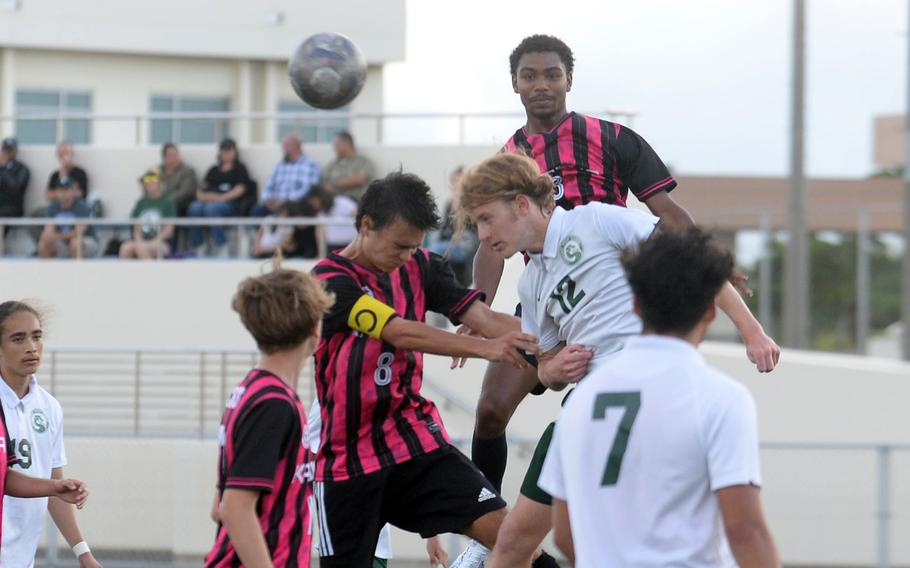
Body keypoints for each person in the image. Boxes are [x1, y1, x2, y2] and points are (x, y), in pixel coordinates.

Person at [464, 36, 781, 548]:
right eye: (529, 76)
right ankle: (488, 537)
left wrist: (711, 266)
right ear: (515, 84)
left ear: (569, 79)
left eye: (551, 74)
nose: (541, 84)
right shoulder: (508, 165)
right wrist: (472, 307)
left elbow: (669, 218)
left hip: (617, 287)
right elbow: (488, 243)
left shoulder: (608, 152)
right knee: (491, 410)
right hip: (552, 296)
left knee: (622, 462)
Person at [310, 170, 541, 567]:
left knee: (511, 538)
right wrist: (487, 349)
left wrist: (555, 343)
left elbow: (484, 317)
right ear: (366, 225)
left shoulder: (422, 266)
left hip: (413, 441)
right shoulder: (329, 281)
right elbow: (398, 332)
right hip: (348, 462)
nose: (405, 257)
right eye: (399, 246)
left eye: (413, 247)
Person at [539, 229, 780, 567]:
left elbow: (564, 532)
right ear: (710, 311)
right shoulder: (721, 397)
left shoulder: (583, 398)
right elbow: (745, 531)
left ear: (635, 306)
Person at [205, 267, 334, 568]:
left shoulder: (252, 390)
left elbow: (219, 507)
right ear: (315, 328)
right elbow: (235, 508)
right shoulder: (274, 404)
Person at [0, 301, 98, 567]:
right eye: (18, 339)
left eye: (37, 336)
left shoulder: (49, 408)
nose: (31, 347)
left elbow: (55, 488)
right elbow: (5, 479)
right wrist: (53, 487)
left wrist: (84, 554)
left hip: (22, 559)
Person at [306, 397, 449, 568]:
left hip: (376, 542)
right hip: (342, 536)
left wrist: (431, 533)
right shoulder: (331, 394)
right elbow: (309, 456)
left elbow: (411, 466)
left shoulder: (394, 395)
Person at [187, 138, 251, 257]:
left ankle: (221, 245)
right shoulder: (213, 170)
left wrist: (220, 198)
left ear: (235, 152)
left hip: (231, 205)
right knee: (195, 207)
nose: (226, 153)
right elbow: (200, 192)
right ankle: (199, 245)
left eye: (229, 150)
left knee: (212, 208)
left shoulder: (240, 169)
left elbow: (240, 189)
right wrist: (209, 197)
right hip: (210, 202)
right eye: (224, 150)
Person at [429, 166, 479, 286]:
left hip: (463, 244)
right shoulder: (449, 203)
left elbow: (470, 233)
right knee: (428, 251)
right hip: (449, 242)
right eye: (454, 181)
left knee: (433, 251)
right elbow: (443, 227)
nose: (456, 184)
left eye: (460, 180)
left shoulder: (471, 203)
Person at [250, 134, 320, 217]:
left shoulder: (309, 165)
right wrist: (268, 199)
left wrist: (285, 201)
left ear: (295, 146)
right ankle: (263, 230)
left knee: (290, 211)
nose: (282, 149)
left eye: (285, 146)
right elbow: (268, 186)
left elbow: (309, 189)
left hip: (294, 204)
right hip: (275, 203)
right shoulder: (279, 166)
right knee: (257, 211)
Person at [119, 167, 177, 260]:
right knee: (125, 248)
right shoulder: (141, 202)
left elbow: (168, 230)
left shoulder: (167, 202)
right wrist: (139, 241)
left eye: (153, 179)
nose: (149, 183)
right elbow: (136, 228)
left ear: (160, 182)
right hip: (142, 241)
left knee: (142, 248)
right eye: (147, 180)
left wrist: (154, 241)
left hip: (161, 242)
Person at [36, 179, 98, 259]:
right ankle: (48, 270)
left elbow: (78, 232)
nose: (63, 193)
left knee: (75, 242)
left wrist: (56, 236)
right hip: (63, 242)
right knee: (44, 243)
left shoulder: (82, 207)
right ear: (56, 192)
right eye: (60, 190)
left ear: (73, 191)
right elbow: (49, 230)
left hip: (85, 241)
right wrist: (48, 236)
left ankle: (78, 270)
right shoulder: (53, 208)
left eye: (66, 190)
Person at [321, 131, 375, 202]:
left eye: (337, 144)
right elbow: (325, 185)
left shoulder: (363, 161)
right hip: (334, 201)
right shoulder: (332, 165)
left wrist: (334, 184)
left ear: (347, 144)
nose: (334, 148)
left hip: (357, 200)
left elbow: (360, 179)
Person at [303, 184, 358, 252]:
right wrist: (321, 255)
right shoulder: (320, 213)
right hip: (332, 247)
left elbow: (359, 218)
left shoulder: (343, 203)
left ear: (320, 198)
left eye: (314, 202)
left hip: (350, 246)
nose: (314, 206)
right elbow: (319, 235)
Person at [159, 143, 197, 216]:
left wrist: (163, 200)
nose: (174, 158)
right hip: (159, 203)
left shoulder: (187, 171)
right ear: (164, 158)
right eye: (170, 156)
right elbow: (149, 187)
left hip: (180, 205)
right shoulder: (158, 171)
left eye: (176, 155)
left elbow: (184, 192)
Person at [0, 137, 30, 221]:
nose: (7, 153)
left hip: (13, 209)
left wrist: (4, 167)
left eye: (10, 150)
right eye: (5, 150)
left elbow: (16, 188)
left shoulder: (22, 169)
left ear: (15, 151)